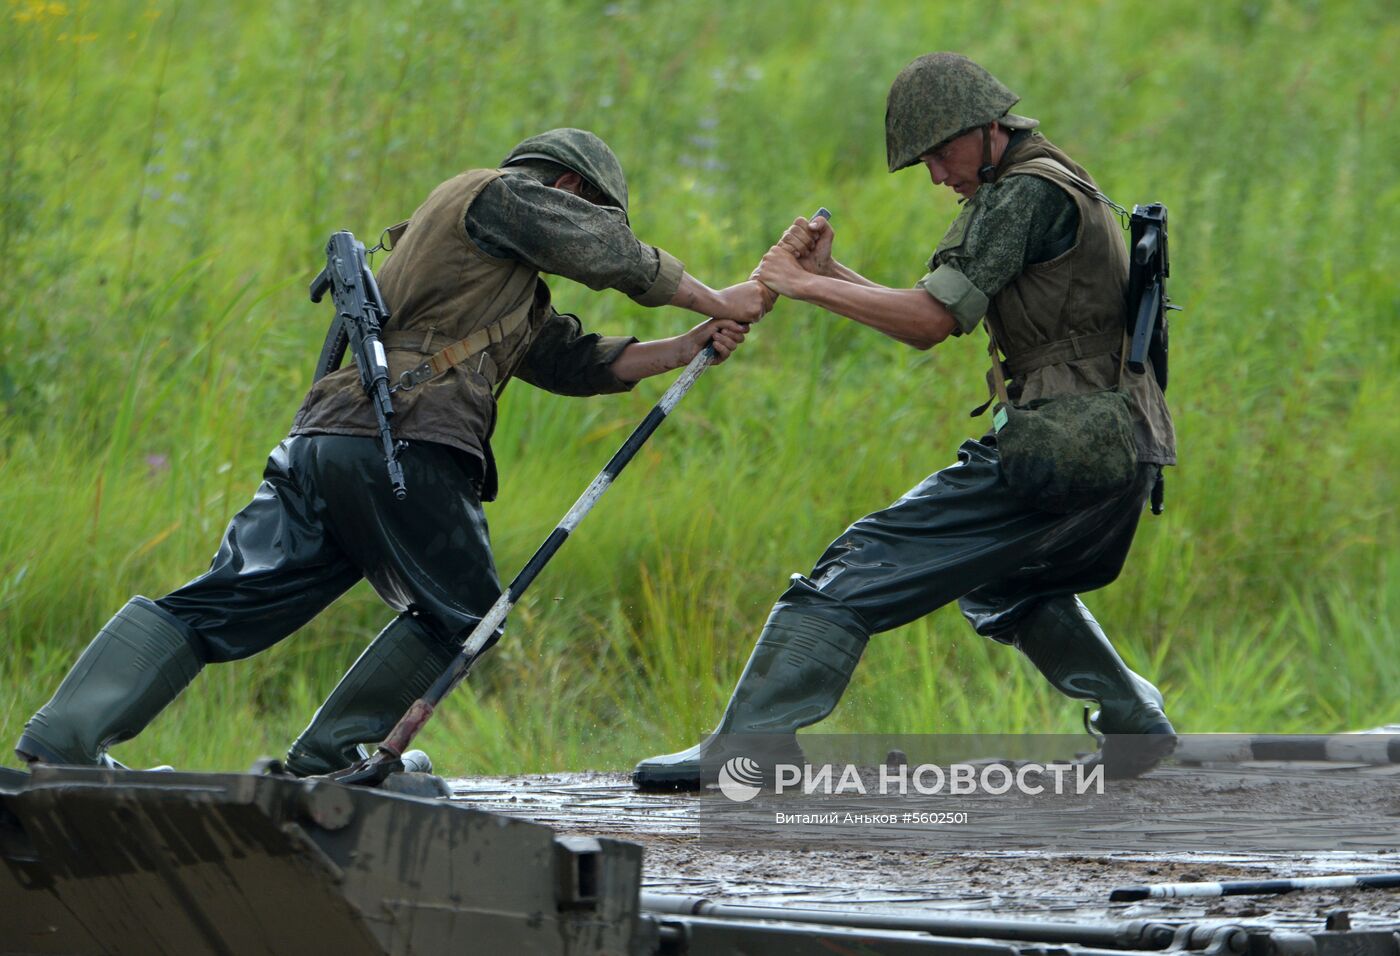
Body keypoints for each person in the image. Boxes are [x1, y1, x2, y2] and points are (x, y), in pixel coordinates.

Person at [17, 128, 769, 775]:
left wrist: (684, 347)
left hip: (326, 441)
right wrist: (719, 299)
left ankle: (65, 737)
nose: (584, 225)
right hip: (406, 438)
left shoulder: (472, 265)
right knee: (467, 611)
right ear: (566, 187)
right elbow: (609, 251)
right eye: (586, 209)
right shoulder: (498, 195)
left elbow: (566, 359)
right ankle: (331, 758)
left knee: (227, 598)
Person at [634, 54, 1177, 789]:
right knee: (1008, 583)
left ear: (988, 130)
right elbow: (935, 307)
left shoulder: (1021, 195)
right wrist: (830, 276)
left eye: (941, 154)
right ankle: (1134, 725)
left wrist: (798, 284)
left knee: (853, 569)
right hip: (1120, 444)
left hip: (1066, 439)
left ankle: (747, 752)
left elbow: (926, 323)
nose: (936, 175)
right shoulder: (1053, 179)